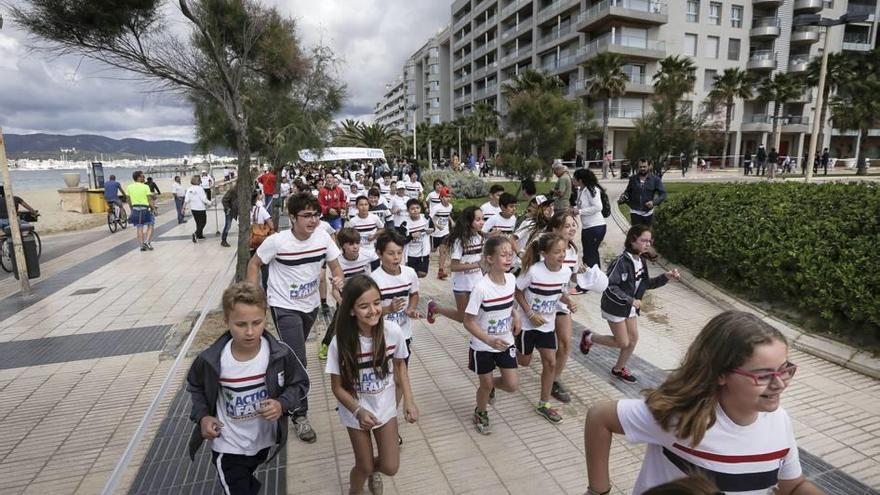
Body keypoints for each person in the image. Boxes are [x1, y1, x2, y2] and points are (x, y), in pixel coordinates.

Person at [584, 310, 820, 495]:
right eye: (764, 375)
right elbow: (599, 416)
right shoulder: (681, 416)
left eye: (784, 370)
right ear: (721, 374)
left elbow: (792, 487)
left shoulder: (779, 421)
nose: (779, 384)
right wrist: (599, 491)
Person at [186, 282, 307, 495]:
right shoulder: (211, 360)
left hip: (263, 442)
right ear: (226, 321)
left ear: (265, 318)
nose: (250, 332)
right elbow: (195, 386)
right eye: (241, 324)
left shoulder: (279, 354)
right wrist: (203, 416)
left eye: (257, 322)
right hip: (228, 446)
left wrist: (281, 404)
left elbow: (299, 384)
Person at [246, 193, 345, 444]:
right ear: (292, 217)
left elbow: (335, 266)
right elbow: (255, 263)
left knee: (291, 357)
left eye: (316, 215)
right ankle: (299, 415)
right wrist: (252, 295)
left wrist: (338, 280)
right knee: (299, 358)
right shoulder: (277, 242)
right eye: (307, 215)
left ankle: (276, 384)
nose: (313, 220)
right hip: (283, 306)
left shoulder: (323, 237)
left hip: (309, 306)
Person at [325, 275, 418, 495]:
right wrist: (358, 411)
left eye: (377, 303)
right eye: (364, 306)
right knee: (364, 465)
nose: (373, 310)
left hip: (385, 408)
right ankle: (355, 489)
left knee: (390, 466)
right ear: (350, 310)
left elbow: (400, 367)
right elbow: (337, 388)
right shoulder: (340, 343)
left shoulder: (393, 331)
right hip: (355, 411)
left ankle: (369, 473)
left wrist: (409, 401)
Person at [580, 225, 680, 383]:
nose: (647, 244)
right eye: (644, 240)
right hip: (615, 306)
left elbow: (646, 284)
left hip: (629, 307)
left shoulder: (641, 260)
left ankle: (618, 369)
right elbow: (609, 286)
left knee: (633, 339)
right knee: (622, 342)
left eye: (649, 241)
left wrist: (666, 277)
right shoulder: (620, 262)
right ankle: (589, 337)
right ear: (633, 240)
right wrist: (630, 300)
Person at [514, 233, 575, 424]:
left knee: (550, 362)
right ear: (543, 253)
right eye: (556, 252)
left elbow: (559, 293)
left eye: (564, 251)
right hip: (526, 324)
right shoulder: (533, 271)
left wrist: (569, 301)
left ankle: (544, 403)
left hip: (547, 326)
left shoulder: (565, 272)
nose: (562, 255)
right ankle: (505, 355)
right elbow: (517, 291)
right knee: (524, 361)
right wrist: (530, 313)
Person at [464, 236, 521, 435]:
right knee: (485, 385)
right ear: (489, 259)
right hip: (483, 346)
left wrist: (516, 316)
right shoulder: (481, 288)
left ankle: (489, 387)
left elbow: (509, 304)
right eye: (503, 255)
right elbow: (468, 321)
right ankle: (480, 412)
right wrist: (488, 339)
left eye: (510, 255)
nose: (508, 259)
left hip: (505, 342)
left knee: (512, 385)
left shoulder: (512, 279)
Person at [317, 228, 379, 361]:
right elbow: (334, 290)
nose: (355, 247)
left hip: (365, 296)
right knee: (338, 322)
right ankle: (326, 345)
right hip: (345, 297)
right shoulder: (336, 261)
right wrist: (343, 303)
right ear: (342, 245)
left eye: (357, 243)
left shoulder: (369, 255)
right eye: (351, 244)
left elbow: (378, 275)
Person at [426, 206, 485, 324]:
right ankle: (435, 308)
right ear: (469, 222)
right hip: (462, 284)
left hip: (478, 282)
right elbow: (454, 267)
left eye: (483, 219)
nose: (482, 222)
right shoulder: (459, 241)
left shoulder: (480, 238)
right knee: (462, 317)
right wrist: (477, 265)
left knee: (479, 314)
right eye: (478, 219)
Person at [574, 168, 606, 269]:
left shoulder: (592, 189)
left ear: (581, 180)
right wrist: (573, 209)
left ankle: (595, 276)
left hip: (595, 227)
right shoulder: (580, 190)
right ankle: (591, 274)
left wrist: (579, 212)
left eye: (574, 179)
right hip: (587, 227)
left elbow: (598, 207)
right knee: (589, 253)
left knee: (590, 254)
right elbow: (581, 206)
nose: (573, 181)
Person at [619, 159, 667, 227]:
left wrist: (654, 202)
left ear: (649, 166)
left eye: (644, 166)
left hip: (648, 213)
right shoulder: (633, 179)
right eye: (640, 167)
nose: (642, 168)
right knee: (636, 235)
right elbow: (628, 192)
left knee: (646, 235)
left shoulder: (655, 180)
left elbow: (663, 194)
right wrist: (624, 196)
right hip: (635, 212)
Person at [399, 198, 432, 278]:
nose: (415, 210)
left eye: (417, 208)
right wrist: (411, 236)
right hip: (410, 254)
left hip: (423, 252)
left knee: (423, 273)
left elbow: (432, 226)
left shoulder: (426, 218)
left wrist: (431, 230)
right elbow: (401, 241)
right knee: (411, 275)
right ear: (408, 211)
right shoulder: (404, 224)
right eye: (412, 209)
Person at [126, 171, 156, 252]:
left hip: (135, 209)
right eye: (143, 176)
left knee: (139, 227)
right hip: (145, 209)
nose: (144, 178)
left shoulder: (129, 187)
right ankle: (147, 242)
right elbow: (149, 199)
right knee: (151, 224)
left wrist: (131, 208)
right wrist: (153, 208)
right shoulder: (145, 187)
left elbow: (128, 199)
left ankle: (141, 246)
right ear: (138, 177)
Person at [347, 196, 384, 260]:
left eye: (366, 204)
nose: (364, 207)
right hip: (359, 252)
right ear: (356, 206)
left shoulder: (374, 217)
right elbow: (348, 235)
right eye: (361, 205)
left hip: (373, 250)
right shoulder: (353, 221)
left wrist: (375, 235)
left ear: (368, 206)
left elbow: (383, 229)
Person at [430, 190, 454, 280]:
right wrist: (436, 225)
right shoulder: (436, 208)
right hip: (435, 233)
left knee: (443, 251)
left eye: (449, 197)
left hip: (445, 232)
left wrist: (451, 221)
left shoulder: (450, 206)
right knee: (433, 250)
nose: (448, 199)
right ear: (441, 198)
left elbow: (447, 215)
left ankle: (441, 271)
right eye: (445, 197)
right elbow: (429, 218)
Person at [185, 175, 211, 244]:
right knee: (203, 222)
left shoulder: (189, 189)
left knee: (198, 222)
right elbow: (204, 199)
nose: (201, 181)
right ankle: (196, 233)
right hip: (200, 208)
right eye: (200, 180)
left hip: (193, 209)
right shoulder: (200, 188)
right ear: (198, 181)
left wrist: (183, 207)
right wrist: (210, 203)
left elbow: (187, 199)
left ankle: (200, 235)